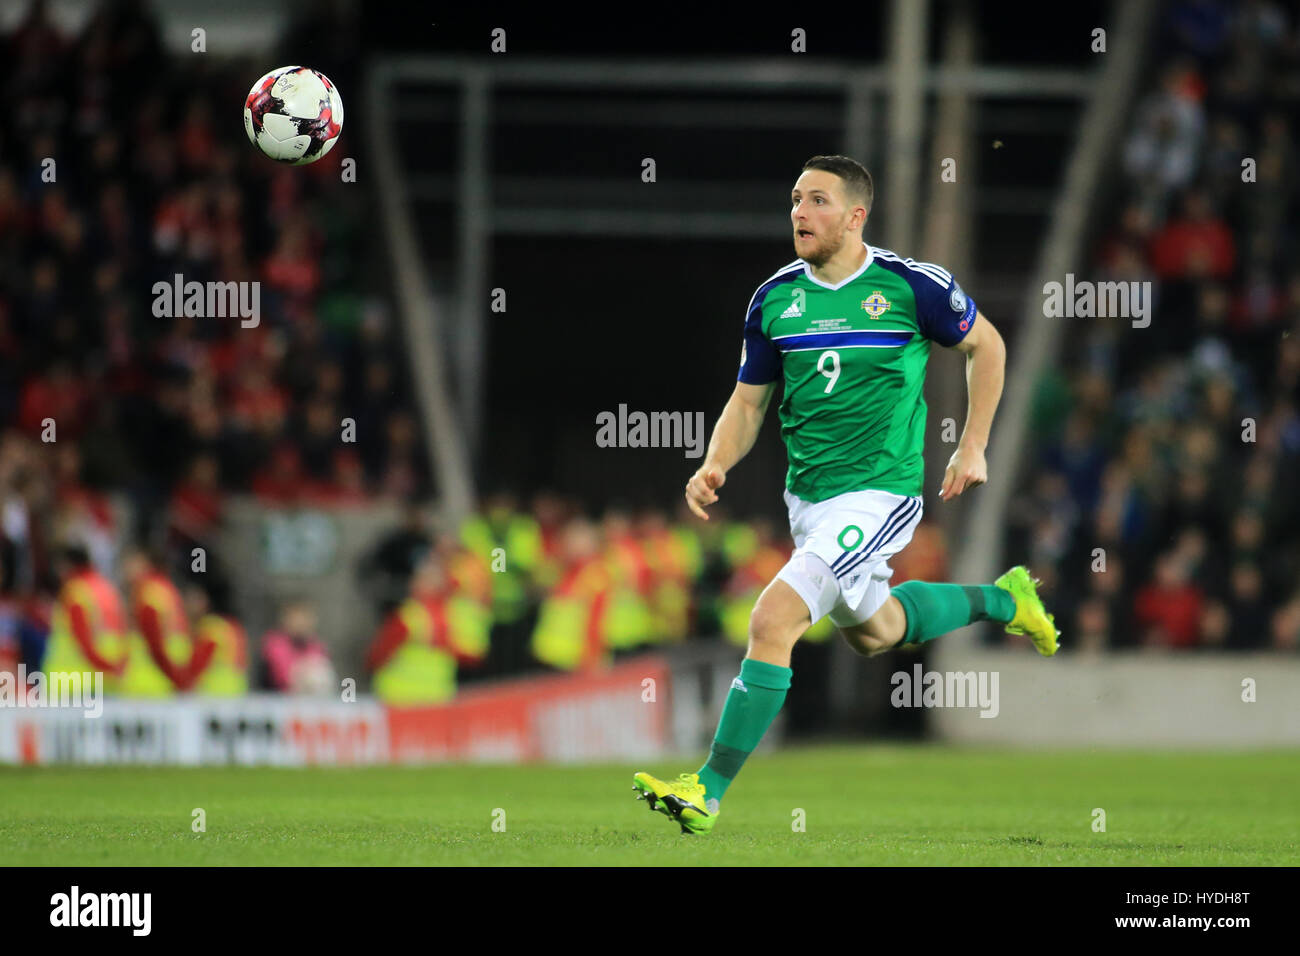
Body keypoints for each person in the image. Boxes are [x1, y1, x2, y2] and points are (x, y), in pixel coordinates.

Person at [633, 155, 1061, 835]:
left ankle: (705, 790)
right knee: (876, 630)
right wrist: (714, 463)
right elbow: (748, 404)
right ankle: (1007, 598)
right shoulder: (774, 298)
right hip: (810, 502)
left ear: (857, 216)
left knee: (773, 621)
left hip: (880, 494)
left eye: (818, 201)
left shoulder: (910, 286)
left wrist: (973, 443)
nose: (800, 212)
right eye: (796, 199)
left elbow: (989, 347)